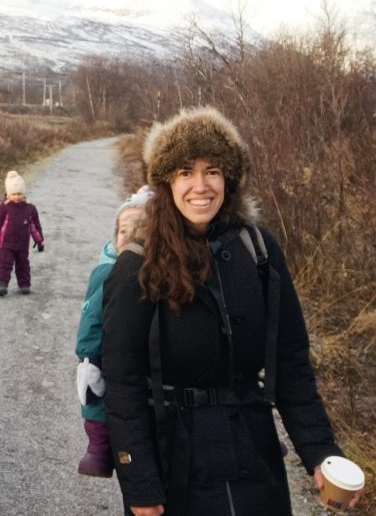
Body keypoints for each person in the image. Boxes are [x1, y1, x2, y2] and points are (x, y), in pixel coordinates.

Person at [101, 106, 364, 516]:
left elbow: (290, 361)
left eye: (213, 171)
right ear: (166, 181)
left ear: (229, 178)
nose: (200, 186)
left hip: (254, 456)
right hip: (175, 460)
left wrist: (321, 452)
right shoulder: (138, 263)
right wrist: (140, 485)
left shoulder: (258, 251)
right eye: (185, 172)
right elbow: (122, 383)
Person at [74, 185, 152, 477]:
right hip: (106, 351)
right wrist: (88, 356)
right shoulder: (106, 272)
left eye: (141, 231)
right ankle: (98, 449)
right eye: (123, 232)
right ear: (113, 237)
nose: (131, 239)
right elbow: (90, 317)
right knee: (97, 398)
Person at [0, 169, 44, 296]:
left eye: (19, 194)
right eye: (13, 194)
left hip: (23, 243)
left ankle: (24, 284)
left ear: (24, 193)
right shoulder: (3, 207)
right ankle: (2, 283)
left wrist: (39, 240)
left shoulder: (30, 209)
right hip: (7, 242)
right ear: (8, 194)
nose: (17, 197)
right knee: (4, 263)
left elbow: (34, 226)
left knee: (23, 264)